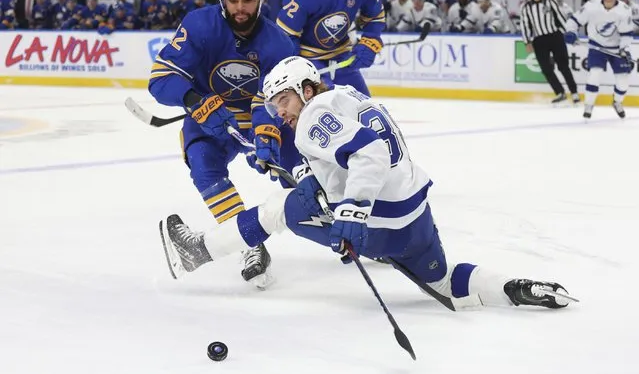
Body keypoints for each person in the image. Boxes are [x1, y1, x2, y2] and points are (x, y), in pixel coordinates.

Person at [159, 56, 573, 311]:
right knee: (446, 283)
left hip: (373, 224)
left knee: (275, 210)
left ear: (306, 89)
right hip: (414, 220)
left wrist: (353, 209)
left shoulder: (313, 116)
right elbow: (348, 157)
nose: (278, 112)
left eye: (282, 100)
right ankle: (516, 289)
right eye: (271, 105)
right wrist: (307, 174)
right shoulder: (353, 97)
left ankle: (197, 252)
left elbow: (368, 153)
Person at [147, 0, 297, 289]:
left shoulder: (278, 43)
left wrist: (268, 132)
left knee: (300, 176)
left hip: (259, 115)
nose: (240, 8)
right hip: (207, 114)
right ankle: (249, 243)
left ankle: (355, 230)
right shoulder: (199, 26)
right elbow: (160, 80)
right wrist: (195, 102)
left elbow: (277, 99)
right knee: (203, 164)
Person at [275, 0, 385, 96]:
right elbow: (285, 37)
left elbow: (374, 17)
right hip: (309, 59)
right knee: (324, 107)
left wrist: (370, 40)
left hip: (342, 56)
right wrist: (298, 67)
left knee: (365, 106)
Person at [565, 0, 632, 119]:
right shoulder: (591, 6)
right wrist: (571, 32)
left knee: (623, 81)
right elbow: (573, 21)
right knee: (594, 74)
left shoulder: (624, 10)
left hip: (617, 49)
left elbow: (626, 34)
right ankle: (589, 105)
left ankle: (617, 102)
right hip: (597, 47)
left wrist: (624, 49)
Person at [520, 0, 579, 104]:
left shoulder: (549, 1)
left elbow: (560, 18)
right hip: (539, 40)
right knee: (546, 68)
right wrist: (527, 41)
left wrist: (569, 33)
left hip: (555, 36)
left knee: (563, 66)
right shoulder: (525, 7)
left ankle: (574, 92)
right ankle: (559, 92)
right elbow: (525, 25)